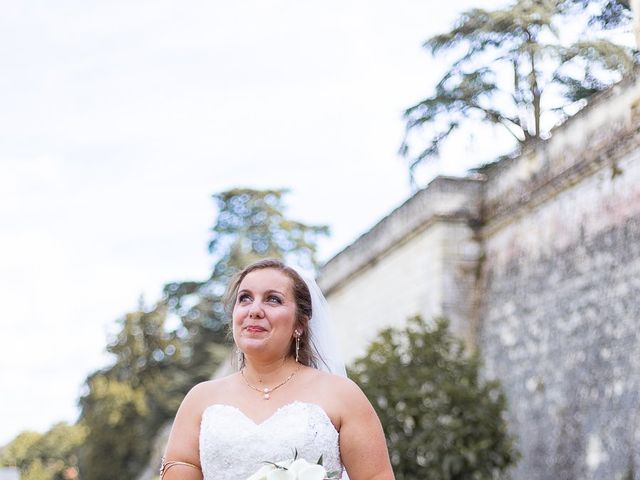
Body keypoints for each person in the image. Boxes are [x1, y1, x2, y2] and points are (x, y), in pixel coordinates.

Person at [162, 258, 395, 479]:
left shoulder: (342, 395)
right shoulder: (200, 399)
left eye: (273, 299)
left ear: (300, 324)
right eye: (245, 298)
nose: (254, 310)